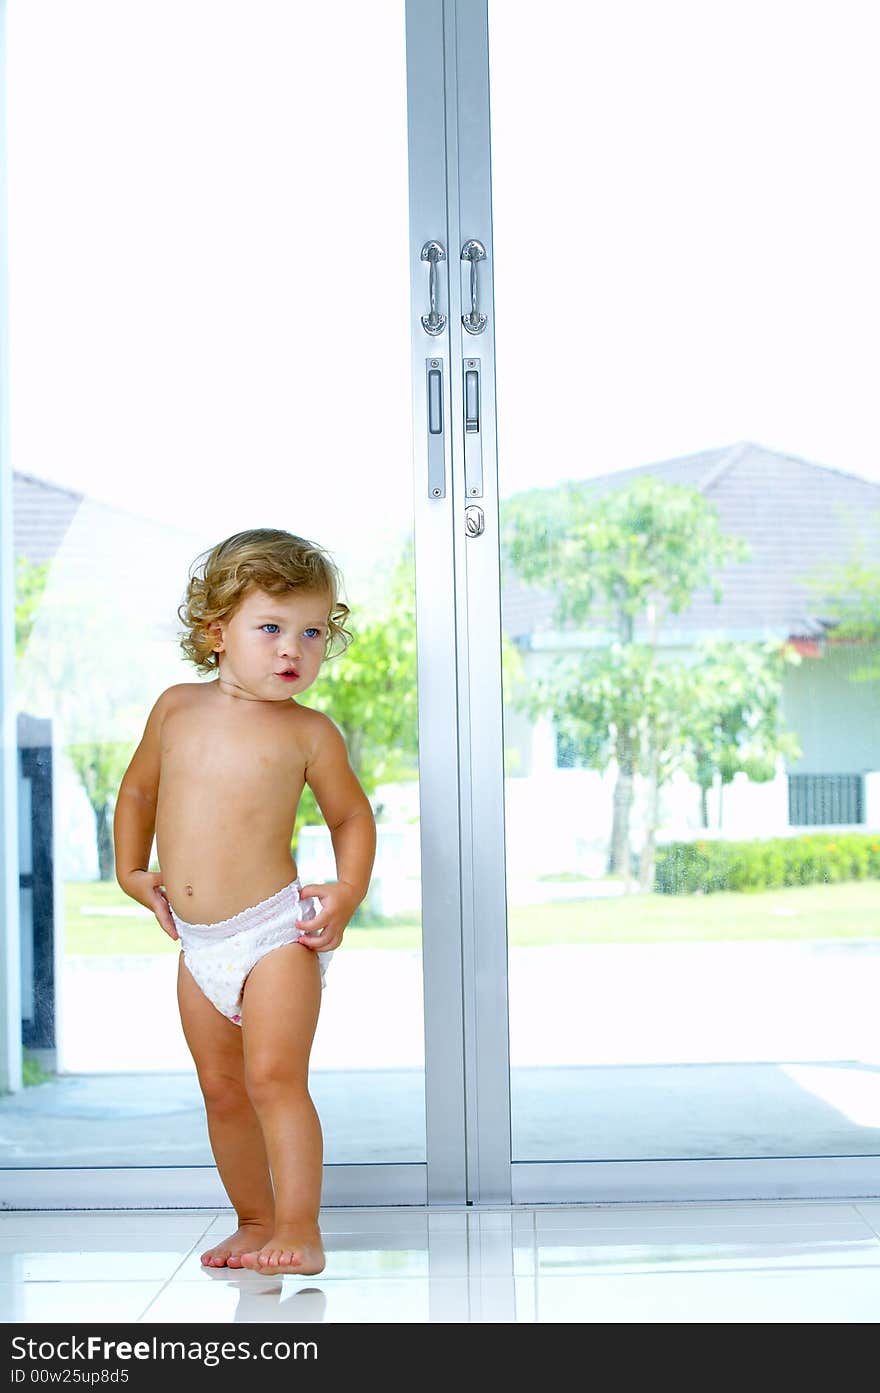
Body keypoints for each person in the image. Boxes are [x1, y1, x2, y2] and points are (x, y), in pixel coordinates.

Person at [113, 528, 377, 1276]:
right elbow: (137, 789)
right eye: (271, 628)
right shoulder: (175, 709)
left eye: (313, 631)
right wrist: (134, 871)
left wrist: (347, 889)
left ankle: (300, 1225)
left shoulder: (309, 733)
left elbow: (352, 817)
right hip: (199, 946)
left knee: (273, 1079)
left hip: (273, 938)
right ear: (216, 631)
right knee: (222, 1090)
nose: (294, 647)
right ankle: (253, 1219)